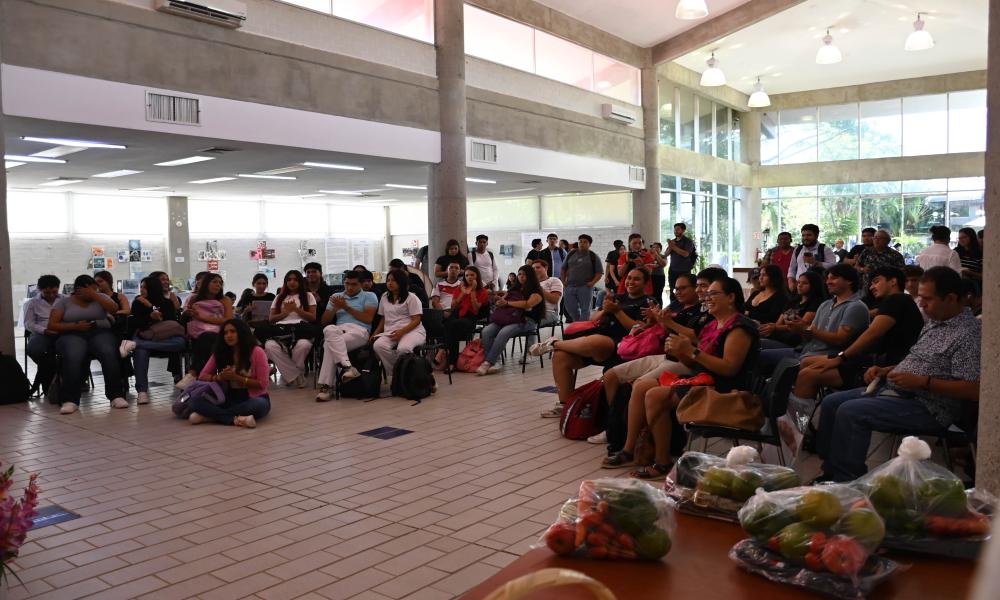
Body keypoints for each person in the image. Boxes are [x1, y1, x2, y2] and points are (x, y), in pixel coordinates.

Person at [816, 267, 981, 481]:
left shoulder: (968, 335)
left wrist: (922, 382)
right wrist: (887, 370)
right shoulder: (935, 322)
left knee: (851, 412)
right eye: (920, 297)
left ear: (950, 298)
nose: (921, 304)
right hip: (900, 390)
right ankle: (830, 470)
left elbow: (973, 389)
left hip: (930, 406)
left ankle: (847, 480)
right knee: (830, 403)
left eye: (927, 299)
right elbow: (919, 361)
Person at [603, 277, 758, 479]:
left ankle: (662, 461)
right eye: (707, 294)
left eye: (713, 294)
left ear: (731, 297)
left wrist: (691, 351)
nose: (707, 298)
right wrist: (681, 352)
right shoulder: (714, 324)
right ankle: (629, 448)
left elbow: (729, 369)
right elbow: (696, 362)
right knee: (641, 386)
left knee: (654, 396)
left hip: (725, 389)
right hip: (704, 379)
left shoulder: (739, 328)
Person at [530, 268, 654, 417]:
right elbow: (592, 319)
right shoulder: (617, 297)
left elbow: (639, 329)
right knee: (560, 357)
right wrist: (605, 310)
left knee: (596, 341)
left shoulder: (648, 303)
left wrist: (617, 312)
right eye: (629, 278)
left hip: (624, 345)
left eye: (636, 279)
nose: (631, 282)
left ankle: (554, 343)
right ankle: (564, 405)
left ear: (645, 283)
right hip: (596, 340)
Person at [792, 266, 923, 400]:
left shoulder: (897, 299)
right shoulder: (896, 302)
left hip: (879, 367)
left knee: (807, 375)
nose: (871, 287)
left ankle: (797, 412)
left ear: (893, 281)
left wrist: (840, 357)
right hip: (871, 361)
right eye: (871, 283)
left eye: (876, 281)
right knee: (806, 362)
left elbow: (872, 334)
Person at [760, 263, 870, 370]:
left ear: (849, 280)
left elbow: (839, 340)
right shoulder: (825, 305)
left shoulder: (856, 307)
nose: (828, 282)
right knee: (759, 352)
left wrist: (806, 329)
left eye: (833, 278)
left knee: (769, 358)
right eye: (827, 279)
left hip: (826, 357)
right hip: (805, 351)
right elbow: (809, 337)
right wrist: (799, 329)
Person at [47, 275, 125, 414]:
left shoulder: (100, 297)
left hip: (99, 332)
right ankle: (70, 400)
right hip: (72, 332)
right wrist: (74, 326)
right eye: (88, 290)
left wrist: (95, 295)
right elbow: (52, 325)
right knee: (73, 355)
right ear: (78, 289)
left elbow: (114, 309)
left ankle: (116, 395)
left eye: (95, 289)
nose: (92, 292)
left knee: (108, 352)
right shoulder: (64, 302)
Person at [190, 319, 271, 428]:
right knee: (194, 401)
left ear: (242, 332)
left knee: (259, 405)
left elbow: (262, 384)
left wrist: (236, 378)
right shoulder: (220, 352)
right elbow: (202, 376)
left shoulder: (256, 351)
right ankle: (234, 419)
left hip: (252, 398)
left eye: (233, 331)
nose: (229, 335)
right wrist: (219, 377)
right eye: (225, 333)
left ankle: (211, 416)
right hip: (227, 398)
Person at [120, 276, 186, 405]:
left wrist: (150, 307)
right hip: (145, 334)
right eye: (141, 287)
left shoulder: (166, 302)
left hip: (164, 336)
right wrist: (150, 317)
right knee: (141, 351)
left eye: (145, 287)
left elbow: (170, 322)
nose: (141, 290)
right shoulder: (138, 302)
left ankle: (135, 344)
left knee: (180, 342)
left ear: (153, 288)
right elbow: (136, 323)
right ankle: (142, 392)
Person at [315, 271, 378, 401]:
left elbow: (368, 319)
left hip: (359, 330)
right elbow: (324, 321)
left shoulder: (369, 296)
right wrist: (335, 308)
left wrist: (346, 307)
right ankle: (348, 367)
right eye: (347, 283)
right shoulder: (336, 296)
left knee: (328, 344)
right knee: (328, 329)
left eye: (354, 284)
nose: (349, 287)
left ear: (361, 284)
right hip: (339, 329)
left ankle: (326, 387)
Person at [477, 265, 546, 376]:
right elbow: (503, 301)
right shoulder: (514, 289)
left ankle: (488, 362)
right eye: (519, 274)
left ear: (531, 276)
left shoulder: (537, 291)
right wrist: (499, 301)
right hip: (508, 318)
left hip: (527, 321)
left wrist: (508, 303)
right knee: (486, 331)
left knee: (503, 332)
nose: (521, 276)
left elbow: (528, 304)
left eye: (524, 274)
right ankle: (496, 361)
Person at [260, 270, 317, 388]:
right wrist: (286, 312)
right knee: (269, 346)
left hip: (301, 330)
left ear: (300, 282)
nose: (292, 282)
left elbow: (312, 317)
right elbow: (271, 319)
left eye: (295, 280)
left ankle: (293, 376)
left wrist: (296, 309)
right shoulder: (279, 297)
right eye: (289, 280)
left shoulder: (308, 296)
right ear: (285, 282)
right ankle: (297, 376)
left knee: (303, 345)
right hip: (281, 330)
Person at [176, 273, 233, 391]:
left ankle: (193, 373)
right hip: (198, 334)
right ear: (206, 283)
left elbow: (228, 321)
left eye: (220, 283)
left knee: (207, 338)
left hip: (219, 334)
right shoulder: (194, 299)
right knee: (205, 342)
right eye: (214, 282)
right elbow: (185, 319)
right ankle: (204, 382)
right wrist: (188, 313)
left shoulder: (224, 300)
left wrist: (202, 317)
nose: (218, 285)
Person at [372, 269, 426, 379]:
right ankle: (398, 375)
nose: (390, 283)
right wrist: (375, 333)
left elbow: (416, 320)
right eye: (388, 280)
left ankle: (407, 376)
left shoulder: (412, 297)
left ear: (401, 282)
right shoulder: (384, 297)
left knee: (403, 349)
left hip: (412, 331)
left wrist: (401, 332)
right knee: (378, 346)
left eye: (393, 280)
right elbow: (383, 319)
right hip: (391, 331)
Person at [433, 265, 489, 372]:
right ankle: (451, 363)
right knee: (450, 326)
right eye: (467, 275)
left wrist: (473, 292)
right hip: (457, 314)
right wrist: (463, 293)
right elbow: (453, 306)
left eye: (472, 275)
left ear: (477, 276)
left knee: (451, 325)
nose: (469, 277)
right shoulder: (460, 288)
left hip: (471, 317)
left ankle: (442, 351)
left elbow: (476, 310)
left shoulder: (483, 291)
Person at [758, 270, 826, 350]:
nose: (799, 285)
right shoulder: (792, 302)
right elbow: (778, 323)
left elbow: (801, 325)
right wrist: (770, 327)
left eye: (805, 283)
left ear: (814, 285)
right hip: (780, 336)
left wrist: (775, 327)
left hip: (795, 341)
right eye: (798, 282)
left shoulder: (817, 303)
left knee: (756, 344)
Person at [24, 274, 62, 395]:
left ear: (58, 288)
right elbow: (29, 323)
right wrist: (44, 331)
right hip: (41, 333)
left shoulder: (65, 300)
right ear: (40, 290)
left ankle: (48, 383)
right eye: (47, 293)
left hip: (62, 332)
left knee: (73, 349)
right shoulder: (32, 303)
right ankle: (54, 373)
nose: (51, 295)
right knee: (34, 350)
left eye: (54, 292)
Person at [561, 234, 603, 322]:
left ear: (589, 244)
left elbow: (599, 273)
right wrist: (563, 281)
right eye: (580, 242)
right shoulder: (571, 254)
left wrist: (592, 283)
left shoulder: (593, 256)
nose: (582, 244)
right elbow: (563, 268)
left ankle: (583, 327)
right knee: (570, 308)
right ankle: (577, 323)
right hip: (570, 286)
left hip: (585, 287)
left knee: (585, 309)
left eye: (585, 242)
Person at [857, 229, 905, 301]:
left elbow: (901, 273)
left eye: (880, 238)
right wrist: (863, 269)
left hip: (886, 291)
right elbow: (857, 266)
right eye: (875, 238)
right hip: (867, 289)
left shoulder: (895, 255)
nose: (876, 240)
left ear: (887, 241)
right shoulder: (866, 252)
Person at [787, 224, 837, 289]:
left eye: (809, 235)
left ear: (816, 236)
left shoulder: (824, 249)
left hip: (818, 287)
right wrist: (790, 281)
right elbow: (792, 267)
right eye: (803, 235)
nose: (805, 238)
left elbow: (833, 266)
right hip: (799, 286)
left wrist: (817, 263)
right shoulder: (798, 249)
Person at [665, 223, 697, 302]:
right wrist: (670, 246)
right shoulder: (673, 241)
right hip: (673, 270)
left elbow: (685, 254)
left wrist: (673, 247)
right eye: (675, 229)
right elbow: (666, 254)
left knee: (684, 290)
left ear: (683, 230)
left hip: (684, 270)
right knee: (673, 291)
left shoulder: (688, 241)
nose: (675, 231)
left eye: (678, 229)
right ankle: (673, 306)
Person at [533, 259, 564, 327]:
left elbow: (554, 300)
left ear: (546, 268)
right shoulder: (531, 284)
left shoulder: (554, 280)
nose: (535, 270)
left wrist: (538, 287)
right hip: (532, 311)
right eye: (533, 268)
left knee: (528, 323)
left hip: (549, 312)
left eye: (538, 267)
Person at [303, 262, 336, 327]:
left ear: (320, 274)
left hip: (324, 323)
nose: (311, 274)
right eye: (308, 272)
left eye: (314, 272)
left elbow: (332, 311)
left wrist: (320, 302)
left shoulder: (329, 290)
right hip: (305, 322)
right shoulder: (302, 290)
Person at [600, 240, 625, 307]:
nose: (622, 249)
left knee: (618, 295)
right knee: (609, 294)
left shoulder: (625, 254)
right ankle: (606, 307)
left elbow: (608, 266)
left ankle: (614, 307)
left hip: (620, 277)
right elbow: (609, 267)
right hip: (612, 277)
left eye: (623, 248)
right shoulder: (612, 254)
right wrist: (606, 277)